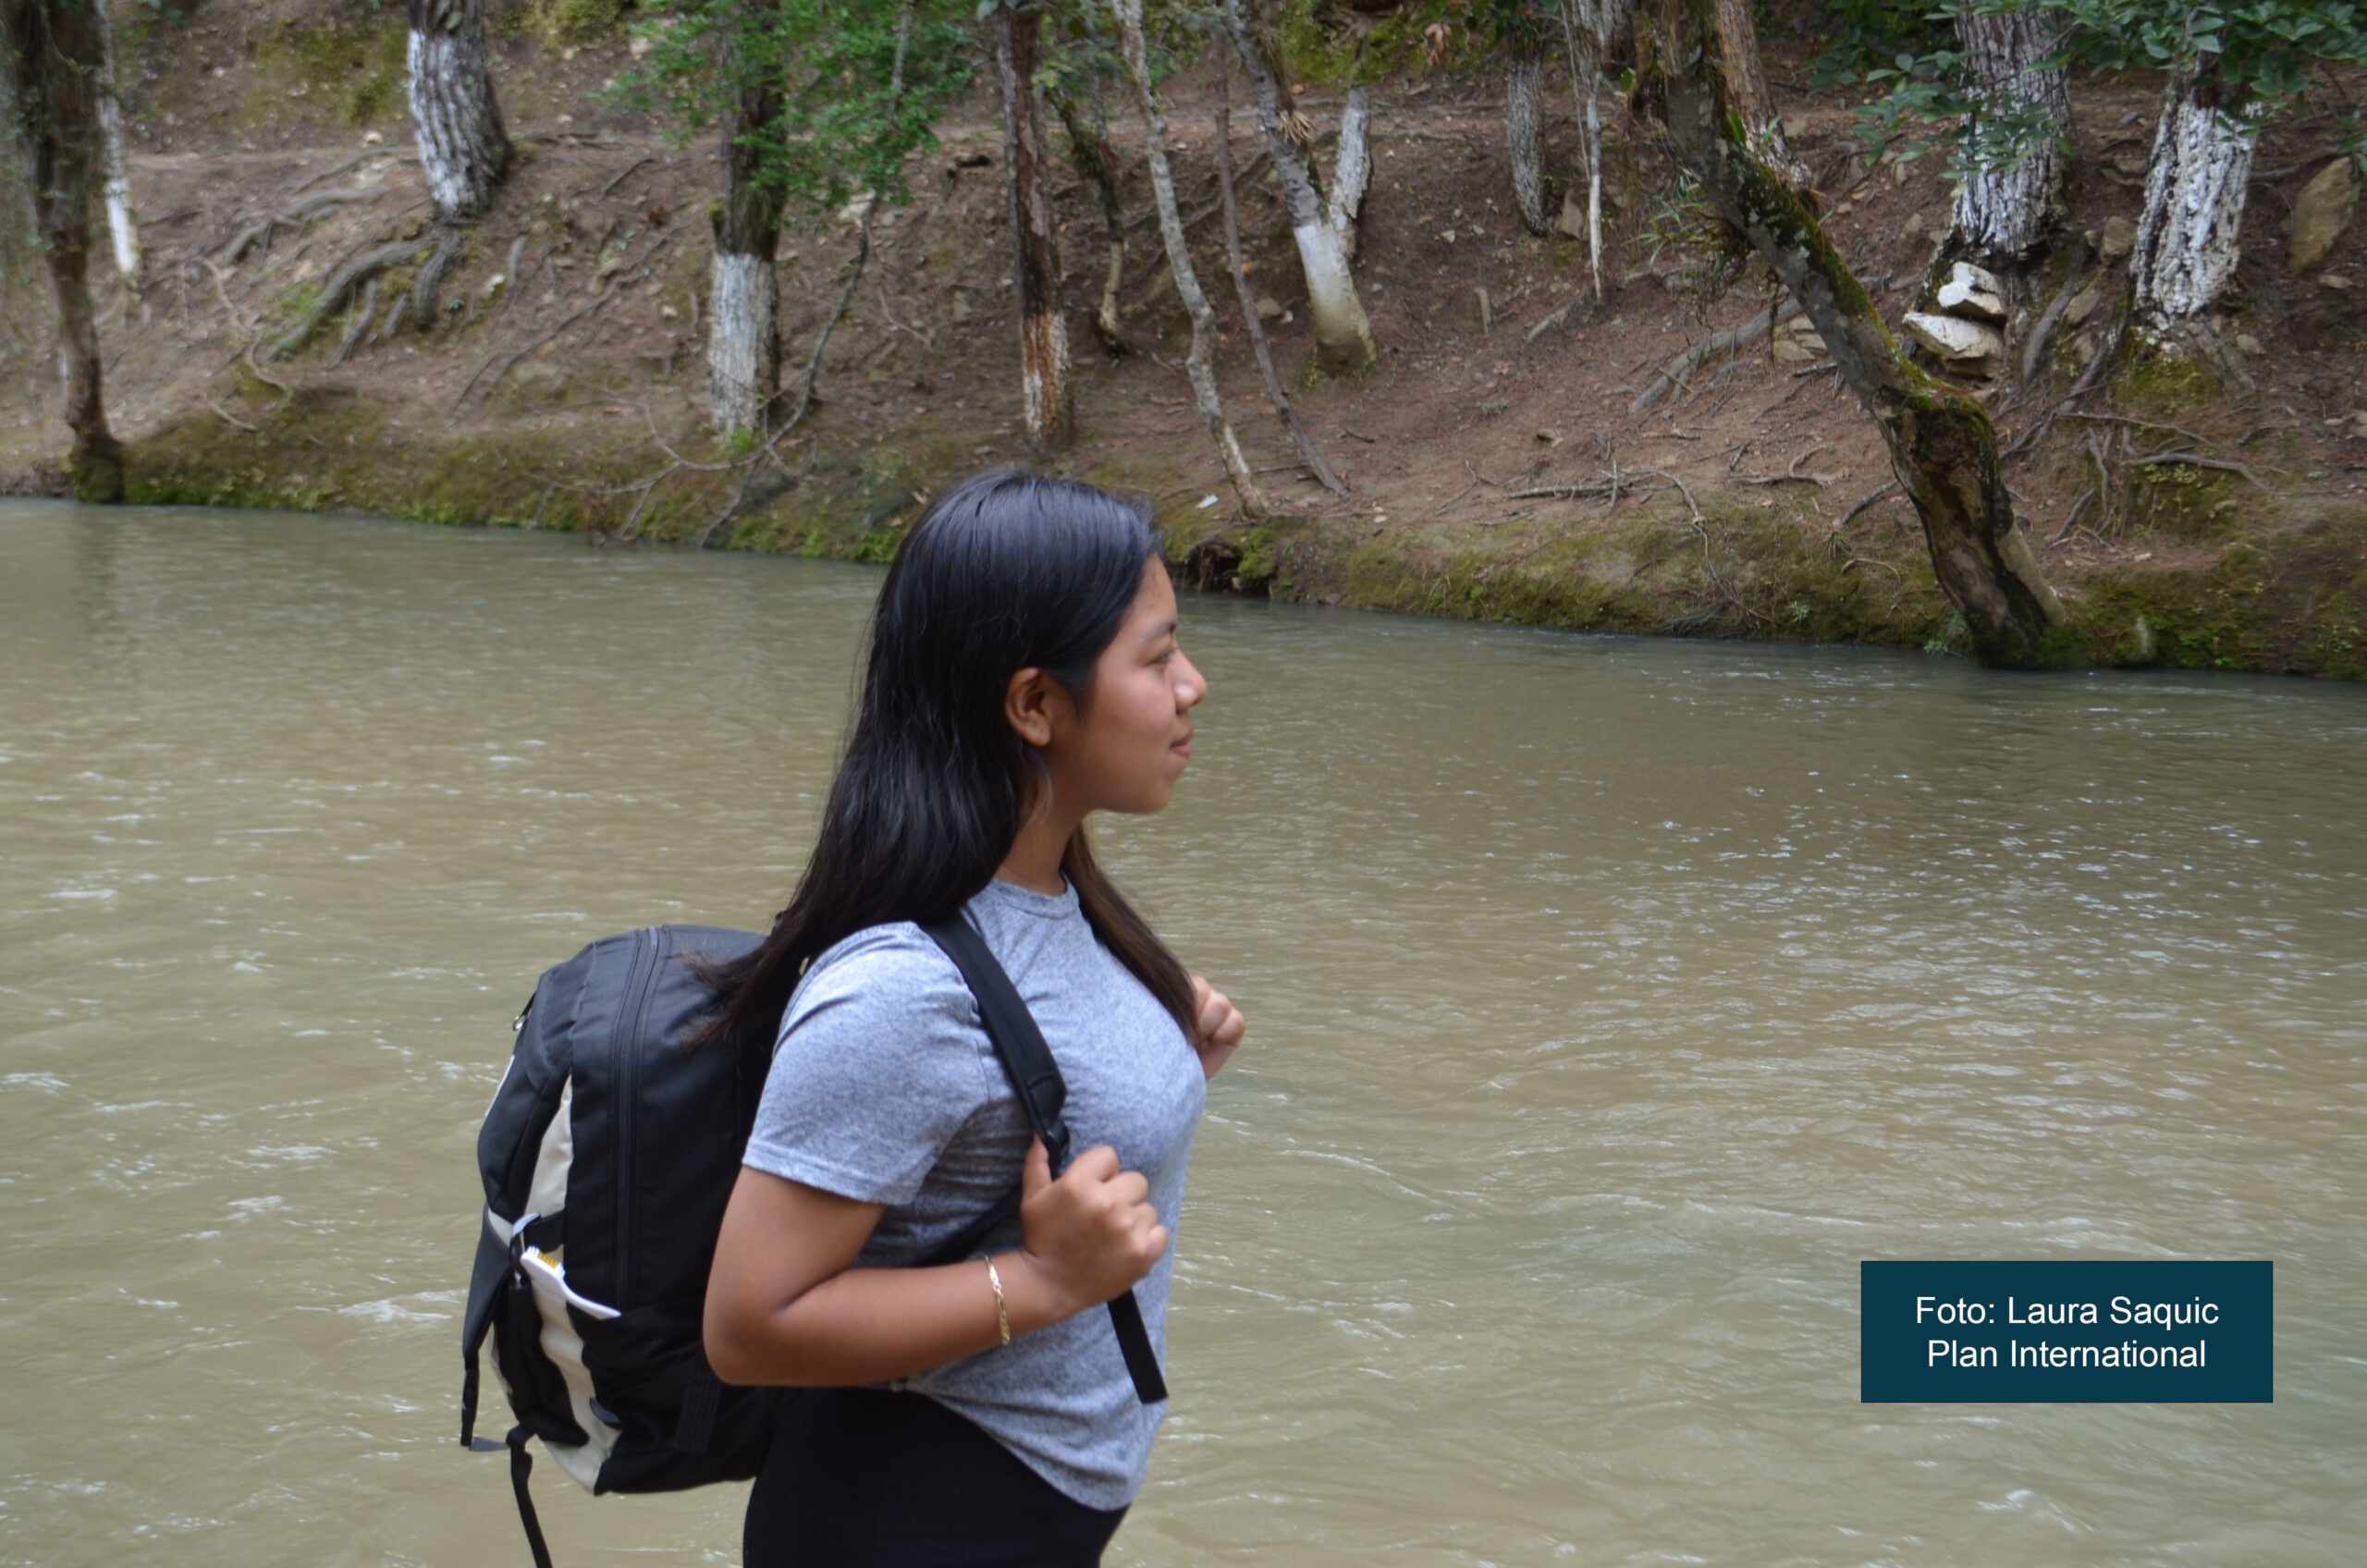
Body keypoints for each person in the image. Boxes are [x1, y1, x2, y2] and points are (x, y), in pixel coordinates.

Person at [698, 469, 1248, 1567]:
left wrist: (1161, 1058)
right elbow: (748, 1326)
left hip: (1024, 1515)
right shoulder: (899, 992)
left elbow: (1016, 1111)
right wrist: (1045, 1284)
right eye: (1155, 656)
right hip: (909, 1519)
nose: (1193, 686)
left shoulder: (1054, 887)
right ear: (1035, 704)